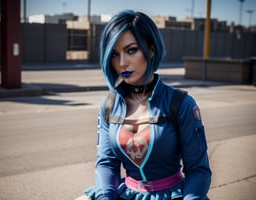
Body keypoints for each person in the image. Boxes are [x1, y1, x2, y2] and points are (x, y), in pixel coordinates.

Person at [84, 10, 211, 200]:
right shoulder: (109, 105)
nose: (122, 63)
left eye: (131, 50)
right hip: (124, 194)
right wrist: (105, 197)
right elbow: (106, 164)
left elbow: (198, 170)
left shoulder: (182, 104)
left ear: (151, 49)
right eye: (114, 54)